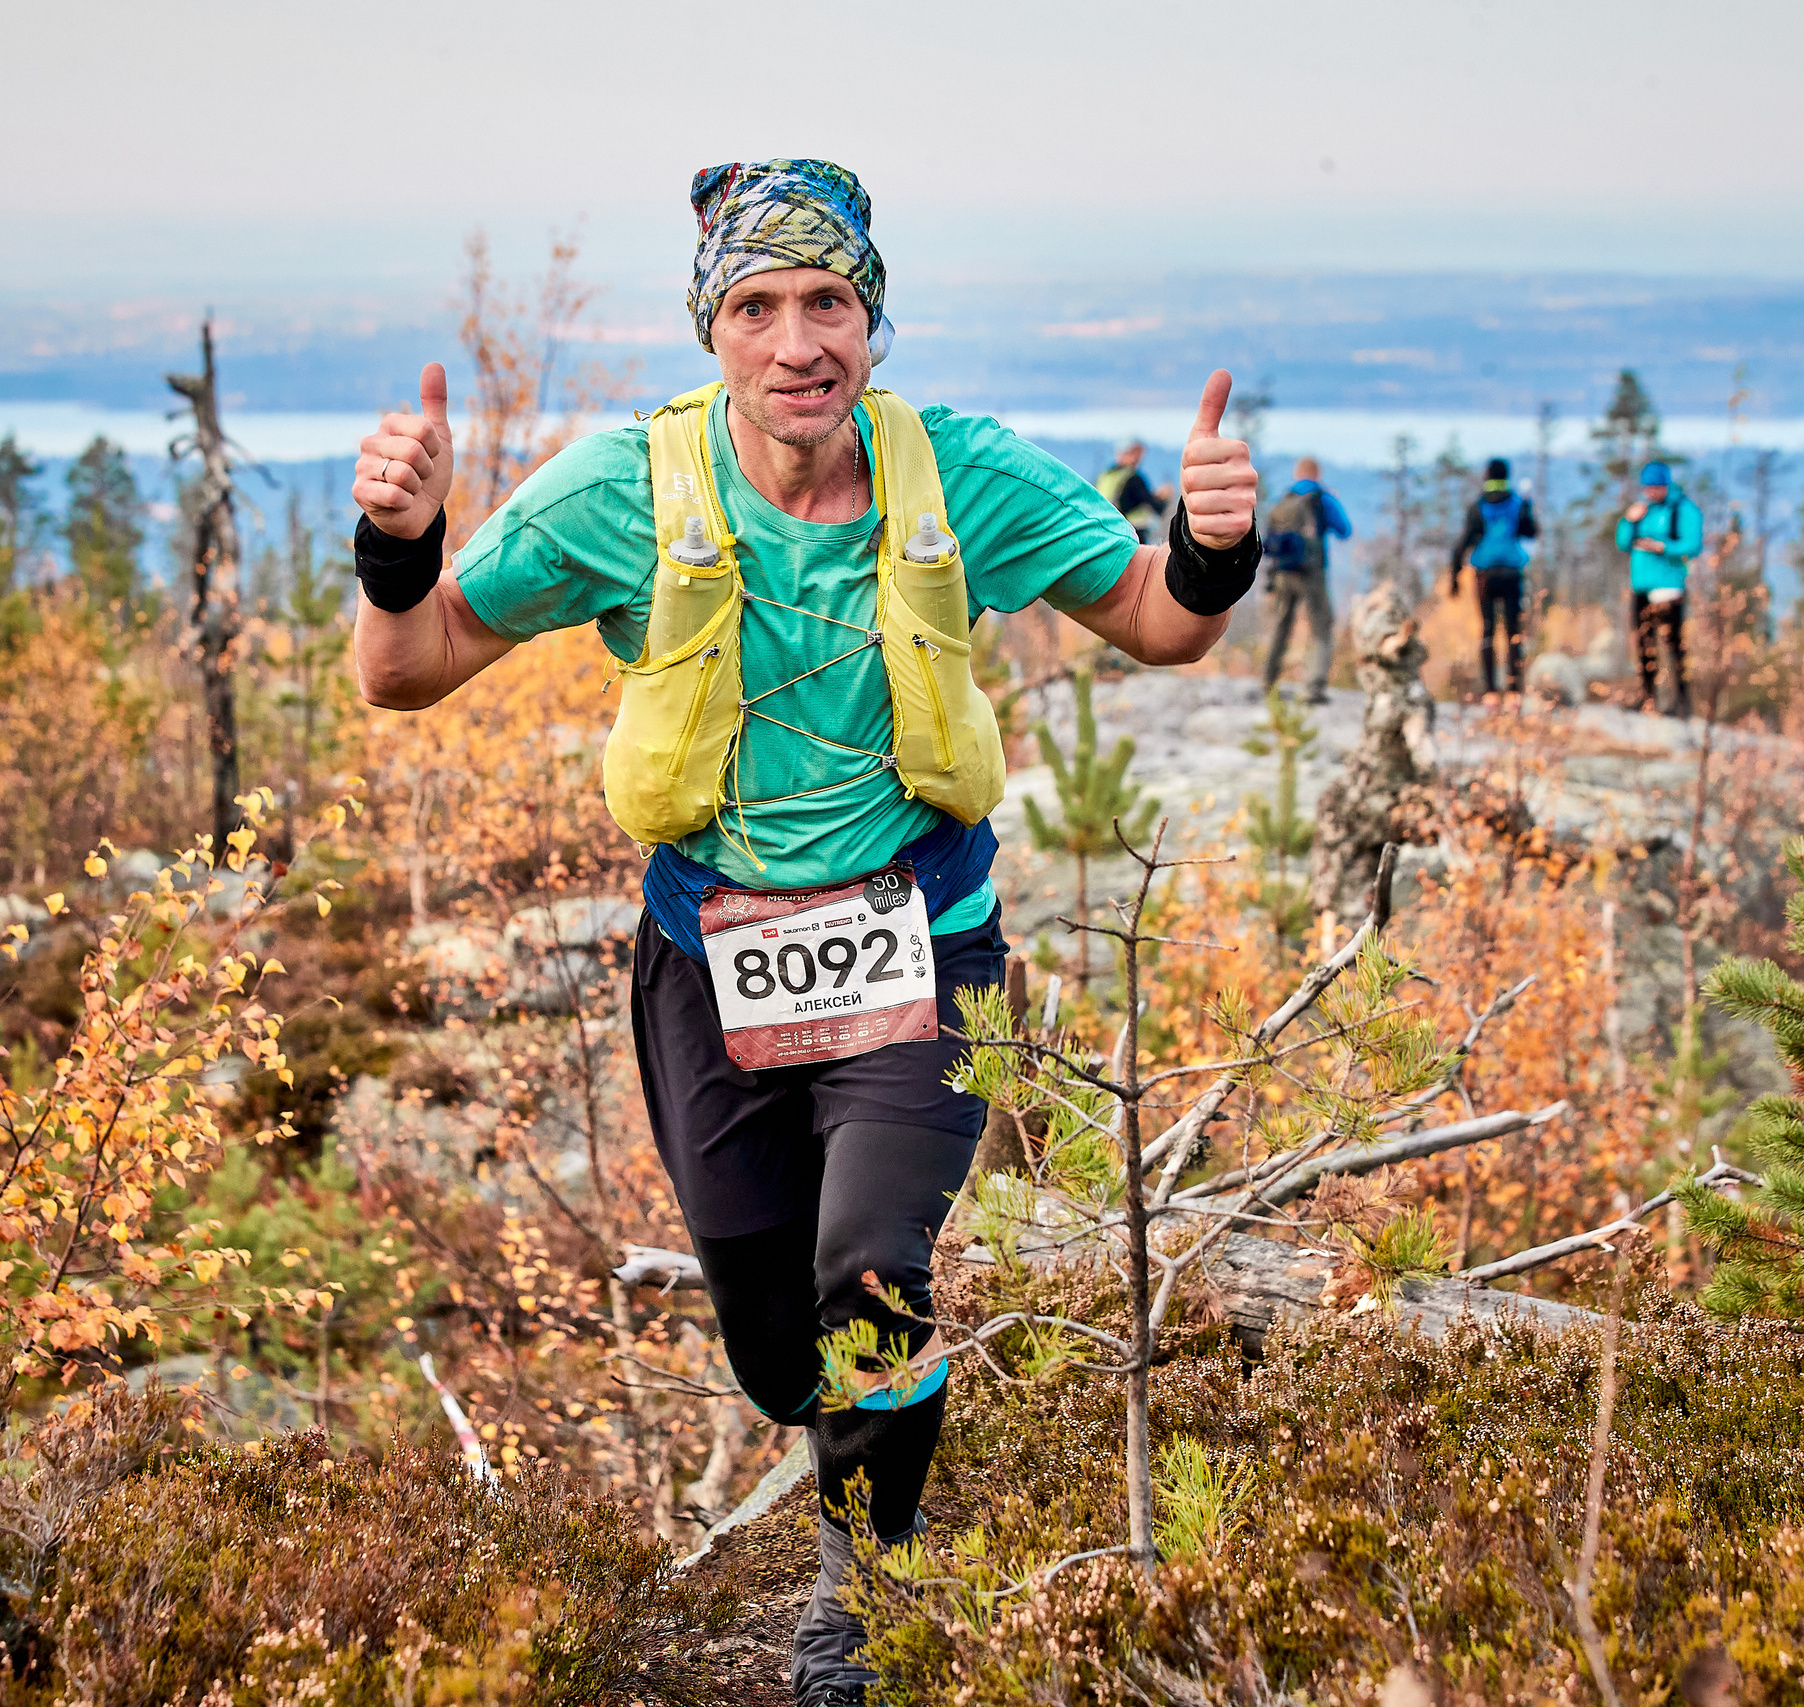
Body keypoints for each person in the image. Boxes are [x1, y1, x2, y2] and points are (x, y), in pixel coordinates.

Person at [349, 159, 1259, 1707]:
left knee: (872, 1266)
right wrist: (399, 543)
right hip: (709, 962)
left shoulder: (957, 473)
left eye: (827, 301)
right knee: (782, 1350)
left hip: (921, 944)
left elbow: (1165, 621)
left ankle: (862, 1590)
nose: (796, 343)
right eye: (757, 307)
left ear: (872, 317)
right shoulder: (621, 489)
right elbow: (406, 668)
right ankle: (841, 1439)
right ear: (711, 327)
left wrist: (1213, 541)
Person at [1259, 456, 1351, 702]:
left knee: (1281, 626)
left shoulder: (1284, 499)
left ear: (1297, 473)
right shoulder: (1322, 499)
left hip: (1281, 573)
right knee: (1321, 627)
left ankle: (1268, 681)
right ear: (1317, 474)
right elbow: (1344, 530)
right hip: (1311, 574)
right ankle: (1314, 687)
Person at [1615, 458, 1701, 715]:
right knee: (1643, 642)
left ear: (1665, 485)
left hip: (1669, 586)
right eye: (1647, 488)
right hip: (1641, 584)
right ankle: (1648, 698)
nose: (1650, 492)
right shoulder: (1642, 509)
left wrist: (1663, 547)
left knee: (1673, 644)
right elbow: (1622, 543)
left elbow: (1693, 544)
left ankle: (1682, 701)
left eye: (1655, 487)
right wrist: (1628, 520)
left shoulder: (1682, 509)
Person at [1449, 457, 1538, 697]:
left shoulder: (1478, 506)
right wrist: (1528, 507)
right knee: (1513, 631)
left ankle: (1490, 692)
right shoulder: (1517, 503)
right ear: (1507, 475)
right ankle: (1514, 691)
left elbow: (1463, 544)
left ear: (1487, 476)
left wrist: (1454, 579)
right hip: (1512, 573)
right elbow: (1531, 532)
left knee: (1487, 629)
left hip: (1484, 575)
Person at [1094, 438, 1175, 541]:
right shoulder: (1134, 479)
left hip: (1106, 530)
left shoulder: (1105, 476)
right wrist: (1164, 497)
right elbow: (1155, 505)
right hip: (1132, 532)